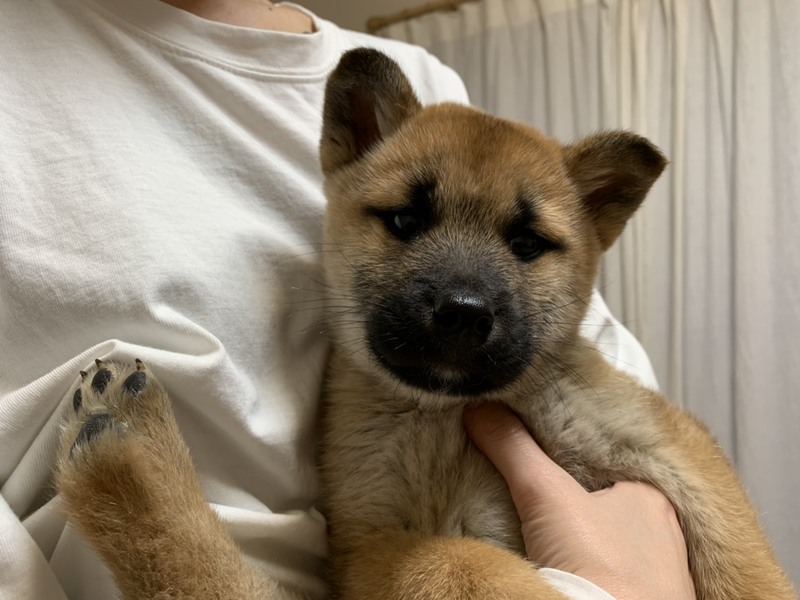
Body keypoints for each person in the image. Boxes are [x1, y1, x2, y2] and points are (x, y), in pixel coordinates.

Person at [0, 0, 693, 598]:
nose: (464, 298)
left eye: (525, 243)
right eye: (406, 221)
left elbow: (632, 428)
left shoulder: (428, 82)